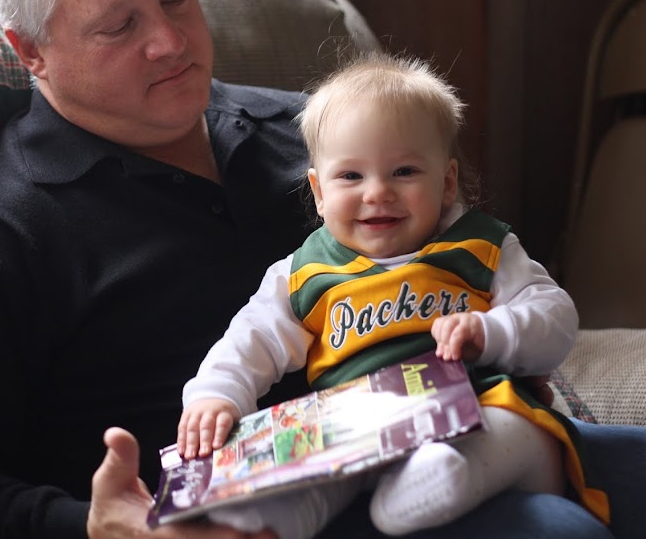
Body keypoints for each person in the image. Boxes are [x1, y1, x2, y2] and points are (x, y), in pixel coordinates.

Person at [0, 0, 646, 538]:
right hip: (278, 513)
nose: (170, 42)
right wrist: (95, 525)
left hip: (466, 427)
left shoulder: (319, 134)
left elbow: (476, 257)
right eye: (120, 26)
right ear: (30, 50)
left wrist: (510, 338)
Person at [177, 53, 605, 538]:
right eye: (351, 176)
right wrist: (216, 396)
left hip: (480, 411)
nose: (377, 192)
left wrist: (491, 332)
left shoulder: (481, 247)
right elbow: (250, 340)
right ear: (318, 192)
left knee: (511, 427)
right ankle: (271, 516)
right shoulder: (302, 273)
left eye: (404, 171)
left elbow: (555, 317)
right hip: (356, 431)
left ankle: (448, 476)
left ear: (446, 183)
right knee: (316, 471)